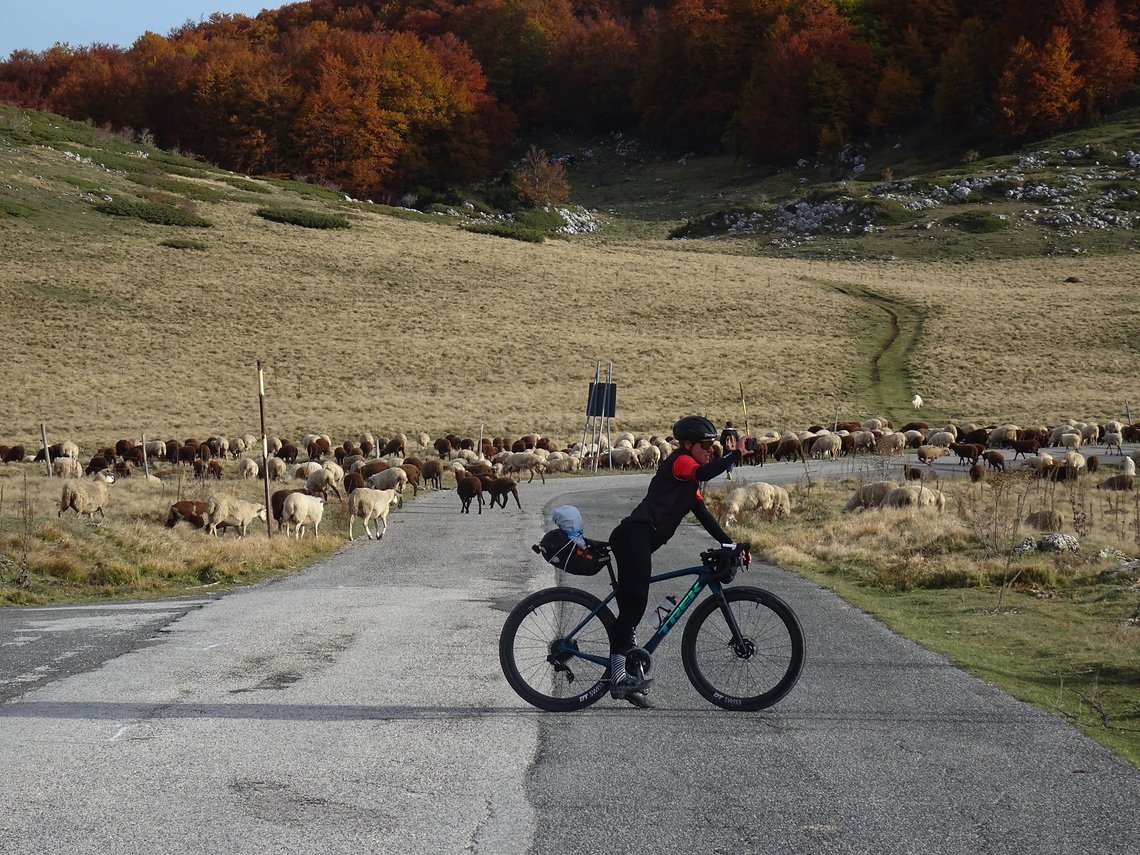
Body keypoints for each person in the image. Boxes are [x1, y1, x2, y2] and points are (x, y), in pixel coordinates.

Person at [607, 415, 745, 708]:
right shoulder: (681, 462)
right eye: (706, 445)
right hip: (634, 537)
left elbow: (703, 513)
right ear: (688, 444)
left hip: (640, 540)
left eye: (713, 445)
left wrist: (728, 542)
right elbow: (706, 472)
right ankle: (618, 678)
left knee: (631, 607)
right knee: (634, 607)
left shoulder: (689, 481)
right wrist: (734, 454)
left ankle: (630, 673)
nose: (711, 449)